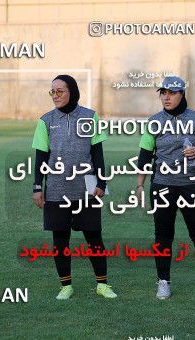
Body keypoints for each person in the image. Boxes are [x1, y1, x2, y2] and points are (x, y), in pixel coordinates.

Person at [31, 75, 117, 300]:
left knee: (94, 238)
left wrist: (101, 182)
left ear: (72, 91)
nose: (56, 96)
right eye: (53, 92)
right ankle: (65, 286)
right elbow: (41, 157)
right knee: (60, 240)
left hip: (85, 189)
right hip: (57, 189)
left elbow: (97, 153)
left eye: (60, 91)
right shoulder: (45, 121)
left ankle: (102, 285)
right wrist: (37, 187)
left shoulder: (90, 116)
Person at [136, 76, 195, 300]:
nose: (166, 97)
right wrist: (140, 185)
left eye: (171, 93)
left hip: (192, 185)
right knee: (163, 236)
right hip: (162, 186)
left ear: (182, 94)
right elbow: (145, 155)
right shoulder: (154, 121)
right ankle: (163, 281)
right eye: (163, 93)